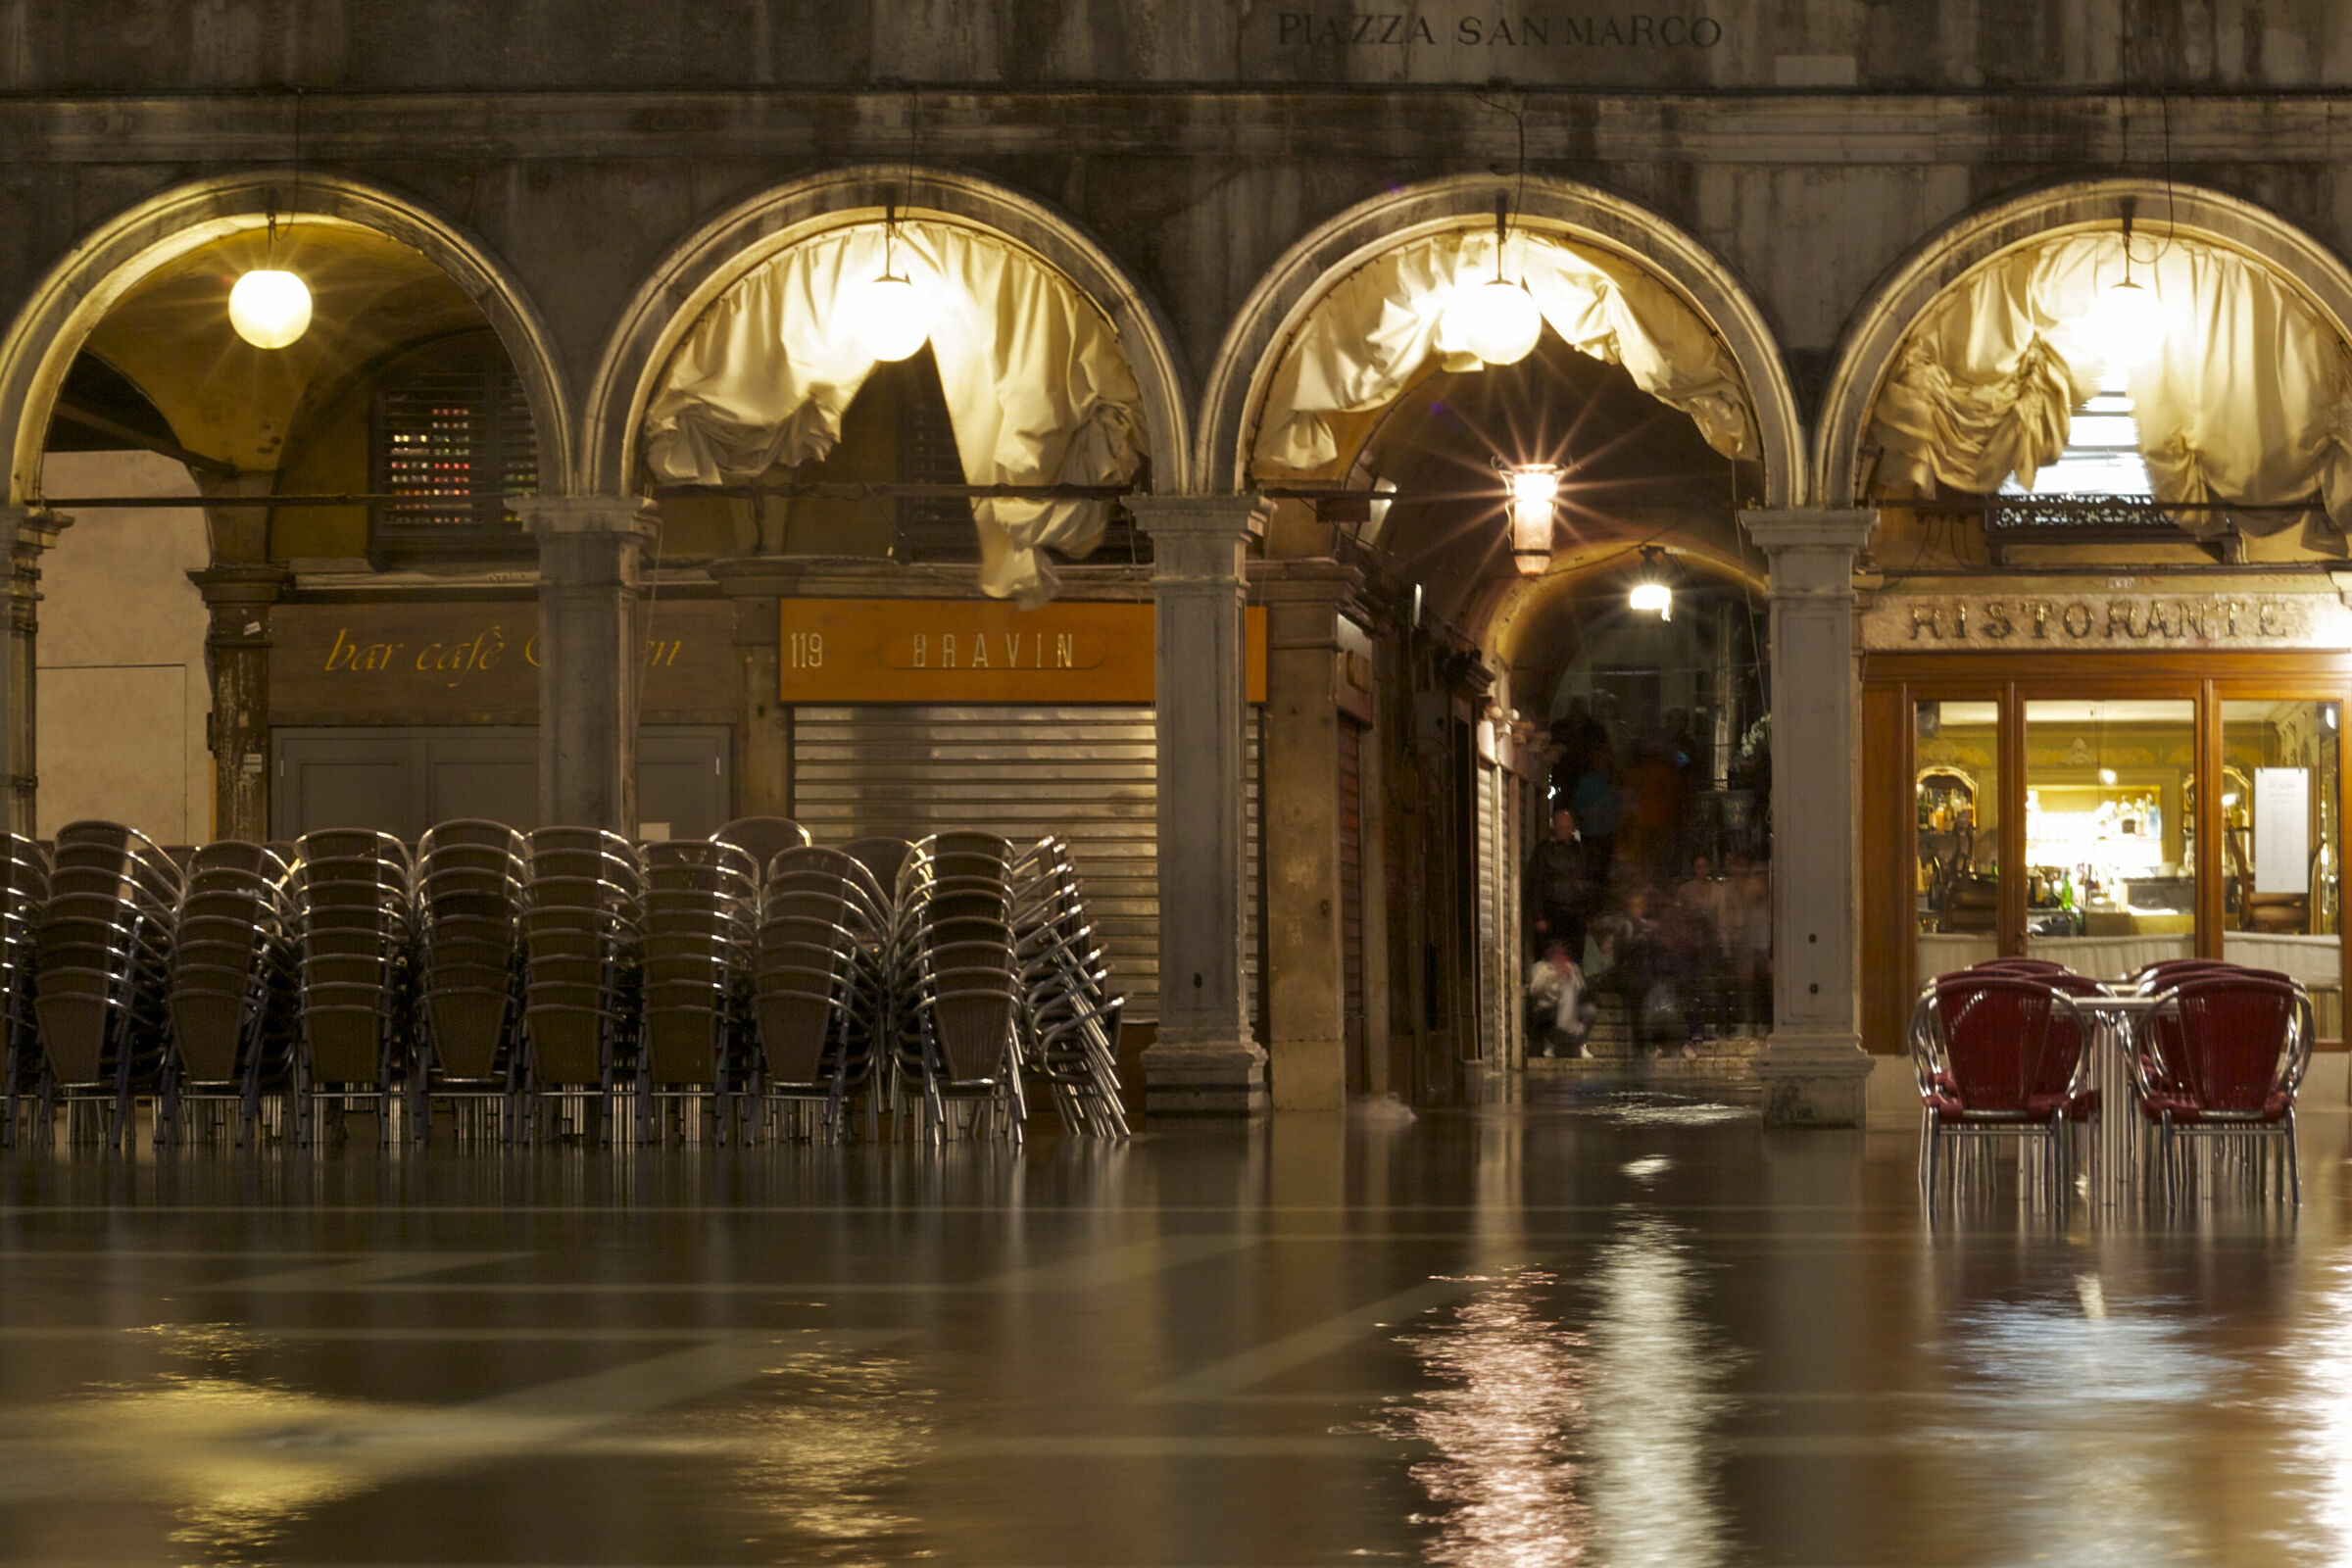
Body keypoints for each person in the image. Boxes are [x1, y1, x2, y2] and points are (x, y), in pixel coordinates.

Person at [1523, 806, 1593, 963]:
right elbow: (1535, 883)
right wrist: (1539, 916)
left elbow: (1586, 884)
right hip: (1551, 914)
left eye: (1568, 827)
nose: (1565, 831)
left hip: (1575, 916)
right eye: (1562, 827)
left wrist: (1587, 916)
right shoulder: (1544, 850)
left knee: (1574, 961)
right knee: (1548, 960)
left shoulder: (1579, 851)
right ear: (1554, 827)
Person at [1525, 940, 1594, 1058]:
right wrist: (1551, 976)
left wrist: (1571, 977)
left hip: (1570, 1008)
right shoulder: (1540, 968)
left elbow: (1581, 990)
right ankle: (1550, 1043)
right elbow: (1534, 990)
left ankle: (1581, 1045)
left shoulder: (1573, 968)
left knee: (1589, 1010)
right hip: (1546, 1008)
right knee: (1555, 1012)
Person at [1568, 745, 1621, 896]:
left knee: (1606, 874)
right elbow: (1580, 810)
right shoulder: (1586, 782)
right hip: (1591, 835)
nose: (1603, 762)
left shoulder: (1611, 782)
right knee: (1591, 873)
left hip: (1608, 835)